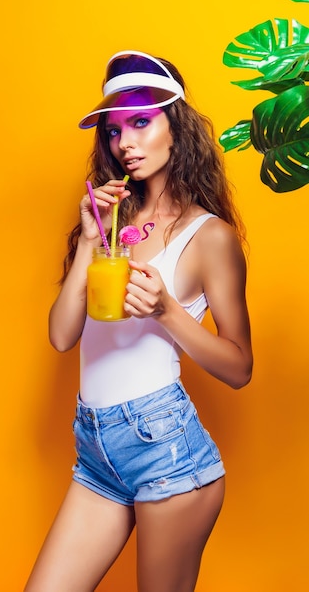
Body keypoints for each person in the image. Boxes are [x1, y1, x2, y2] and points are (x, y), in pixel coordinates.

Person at [24, 50, 253, 592]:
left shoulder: (209, 237)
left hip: (166, 452)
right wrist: (87, 241)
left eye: (141, 121)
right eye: (113, 129)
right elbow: (61, 336)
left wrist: (167, 311)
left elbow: (241, 367)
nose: (124, 142)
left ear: (177, 126)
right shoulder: (111, 223)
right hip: (97, 450)